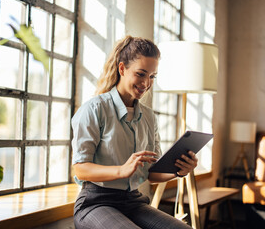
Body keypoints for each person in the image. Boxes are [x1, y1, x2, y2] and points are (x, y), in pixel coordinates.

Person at [71, 35, 198, 229]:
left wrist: (179, 171)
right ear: (122, 69)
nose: (146, 83)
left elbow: (152, 173)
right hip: (96, 202)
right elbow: (80, 168)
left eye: (152, 76)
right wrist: (121, 170)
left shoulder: (148, 117)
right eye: (141, 74)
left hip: (133, 201)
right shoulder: (95, 109)